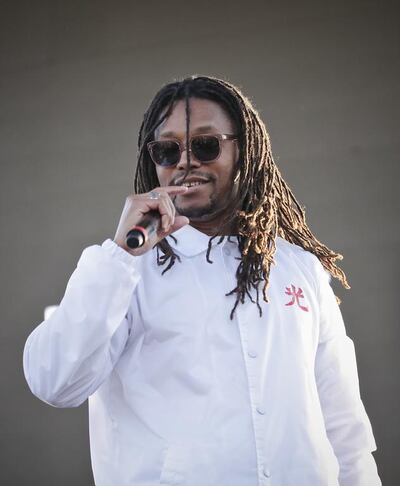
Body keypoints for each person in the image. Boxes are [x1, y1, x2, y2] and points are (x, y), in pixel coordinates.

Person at [23, 75, 382, 486]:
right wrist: (120, 255)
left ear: (244, 151)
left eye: (206, 146)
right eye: (167, 150)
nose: (185, 162)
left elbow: (345, 429)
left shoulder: (299, 267)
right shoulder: (122, 269)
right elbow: (54, 382)